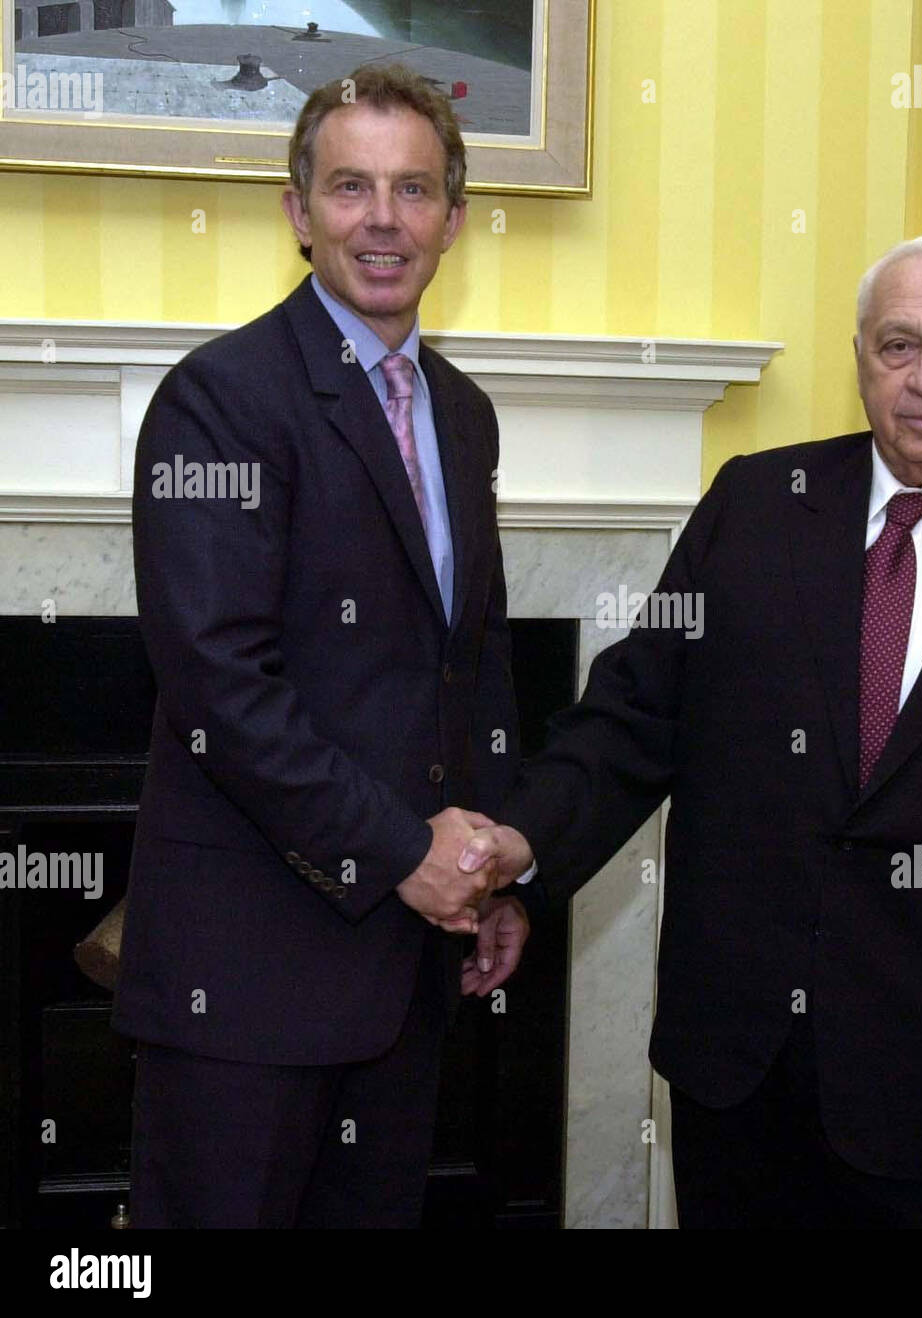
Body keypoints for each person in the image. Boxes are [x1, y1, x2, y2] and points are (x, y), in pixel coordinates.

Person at [458, 235, 922, 1228]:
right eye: (897, 345)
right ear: (859, 356)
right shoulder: (755, 506)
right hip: (739, 1059)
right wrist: (515, 848)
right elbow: (632, 715)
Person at [112, 62, 534, 1229]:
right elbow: (218, 685)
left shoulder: (462, 412)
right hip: (246, 980)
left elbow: (470, 664)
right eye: (350, 187)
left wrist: (490, 867)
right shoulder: (219, 400)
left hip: (404, 967)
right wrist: (405, 847)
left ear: (454, 216)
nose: (383, 220)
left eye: (413, 189)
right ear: (298, 212)